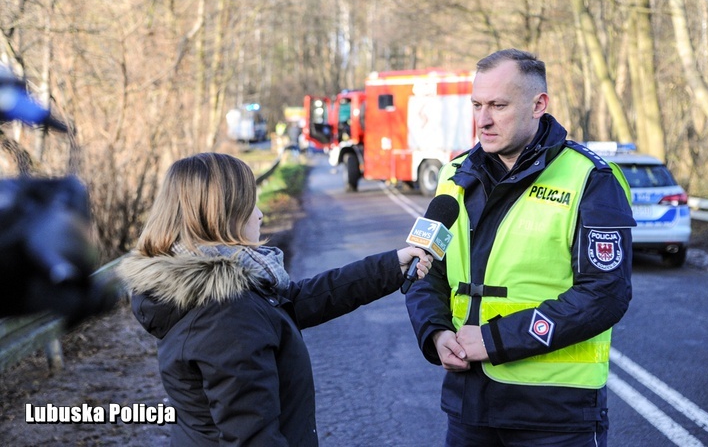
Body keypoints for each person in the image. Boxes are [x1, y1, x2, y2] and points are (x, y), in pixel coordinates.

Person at [117, 152, 433, 446]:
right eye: (250, 204)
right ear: (221, 216)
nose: (260, 213)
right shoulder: (225, 314)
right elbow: (255, 438)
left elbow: (295, 301)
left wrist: (391, 266)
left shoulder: (212, 291)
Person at [405, 49, 636, 446]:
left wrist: (496, 339)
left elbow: (605, 294)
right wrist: (435, 333)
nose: (484, 119)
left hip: (555, 414)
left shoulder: (590, 178)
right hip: (468, 406)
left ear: (538, 105)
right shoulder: (454, 176)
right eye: (477, 105)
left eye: (498, 105)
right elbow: (426, 270)